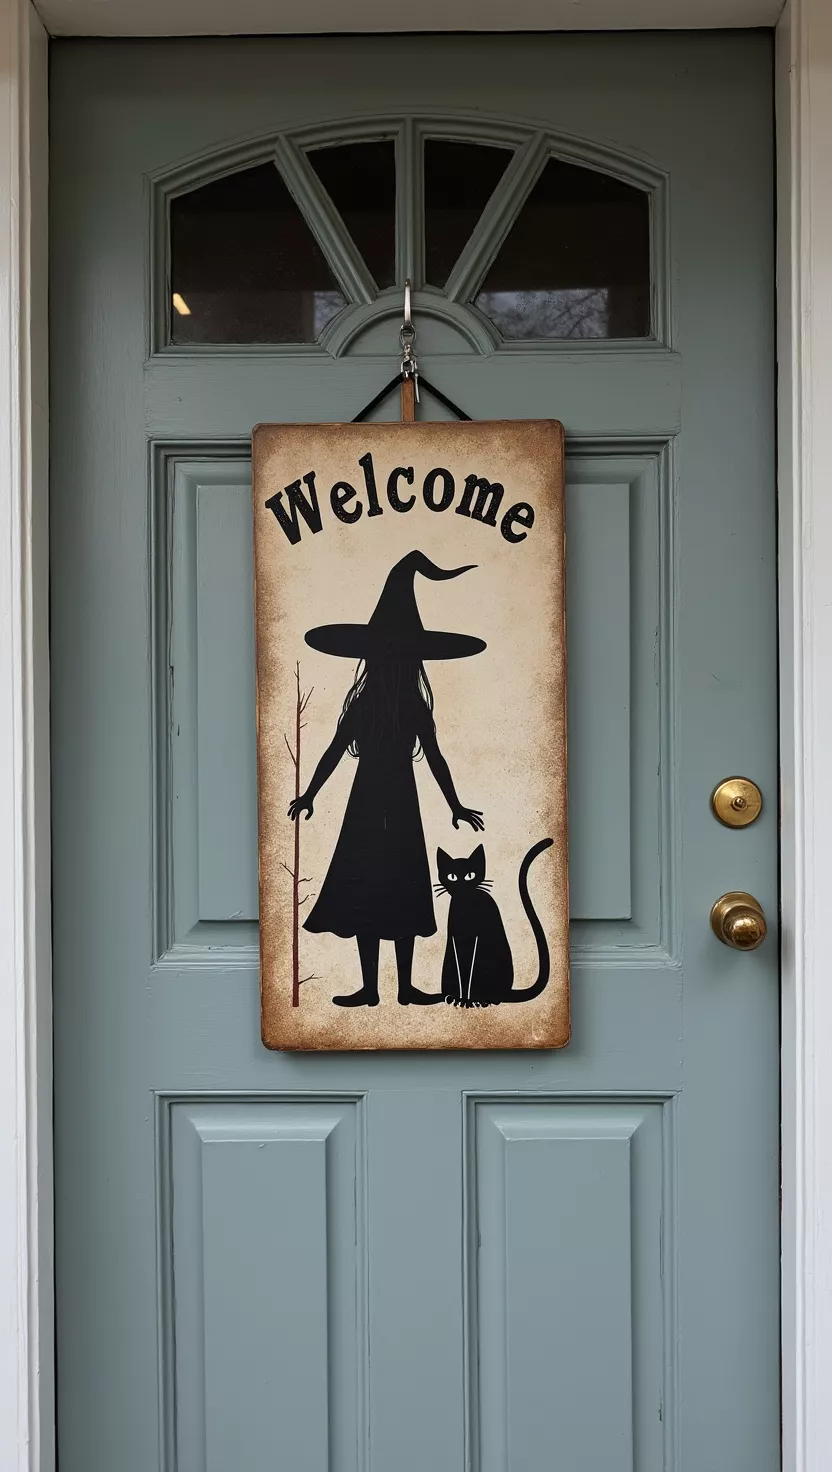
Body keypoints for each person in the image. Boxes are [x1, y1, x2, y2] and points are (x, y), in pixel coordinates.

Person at [288, 550, 485, 1007]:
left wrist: (455, 805)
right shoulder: (368, 706)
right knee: (370, 886)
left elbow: (435, 756)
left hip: (396, 801)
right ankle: (375, 988)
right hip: (372, 799)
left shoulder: (409, 706)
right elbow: (336, 749)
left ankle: (404, 987)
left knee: (400, 886)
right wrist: (310, 793)